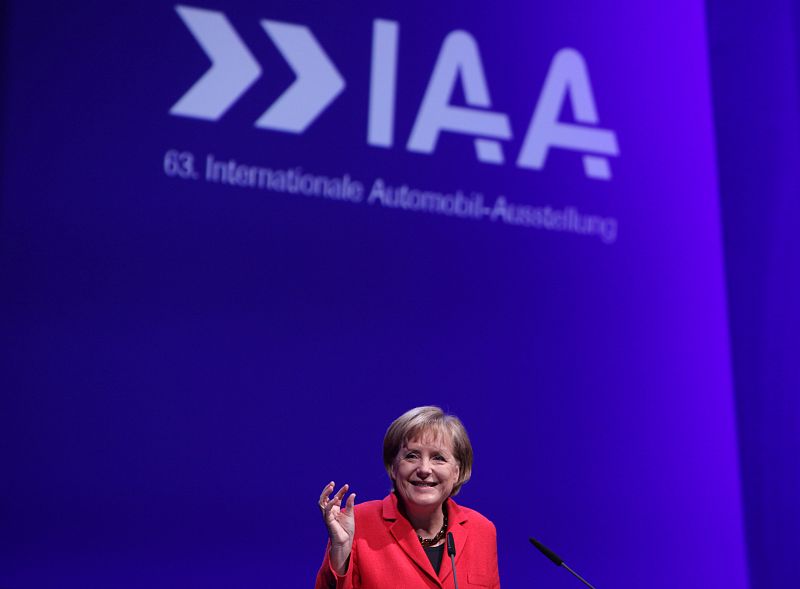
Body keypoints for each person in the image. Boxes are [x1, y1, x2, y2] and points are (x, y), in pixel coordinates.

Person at [315, 406, 500, 588]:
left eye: (439, 458)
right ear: (393, 468)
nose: (424, 469)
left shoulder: (482, 531)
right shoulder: (359, 523)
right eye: (412, 456)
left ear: (457, 472)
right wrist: (339, 551)